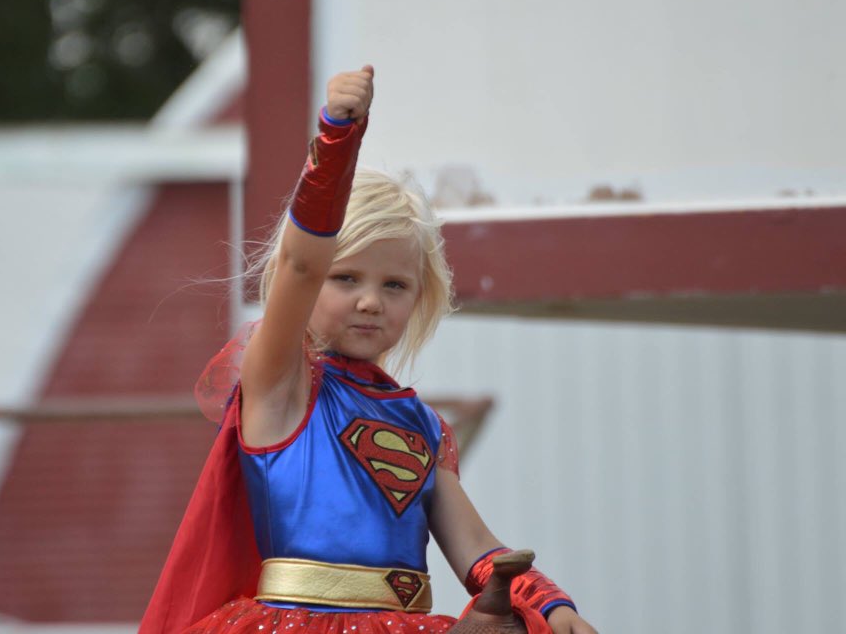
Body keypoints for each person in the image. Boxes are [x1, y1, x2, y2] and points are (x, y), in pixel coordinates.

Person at [140, 66, 598, 633]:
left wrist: (551, 604)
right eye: (346, 278)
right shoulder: (284, 385)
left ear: (421, 298)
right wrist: (336, 141)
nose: (370, 302)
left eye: (395, 285)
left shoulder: (424, 426)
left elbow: (479, 550)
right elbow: (300, 263)